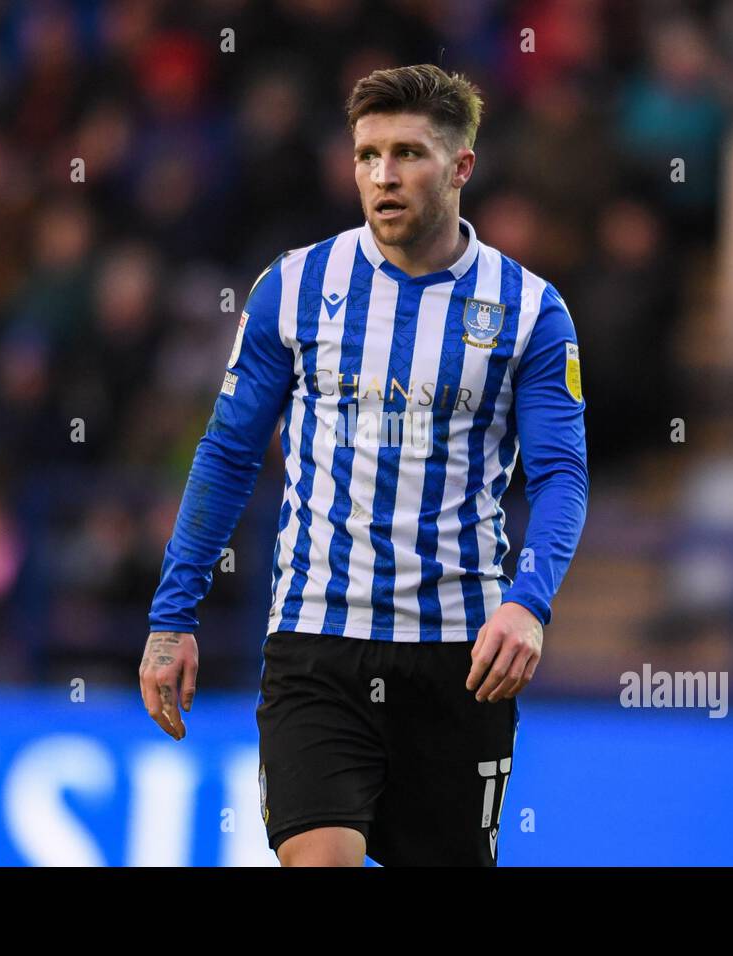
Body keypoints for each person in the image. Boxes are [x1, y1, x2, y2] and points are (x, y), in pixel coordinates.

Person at [141, 64, 589, 866]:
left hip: (462, 654)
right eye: (367, 154)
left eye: (409, 154)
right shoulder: (296, 285)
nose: (383, 177)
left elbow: (560, 476)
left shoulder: (529, 311)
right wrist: (174, 613)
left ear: (461, 169)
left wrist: (530, 603)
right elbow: (229, 450)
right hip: (319, 639)